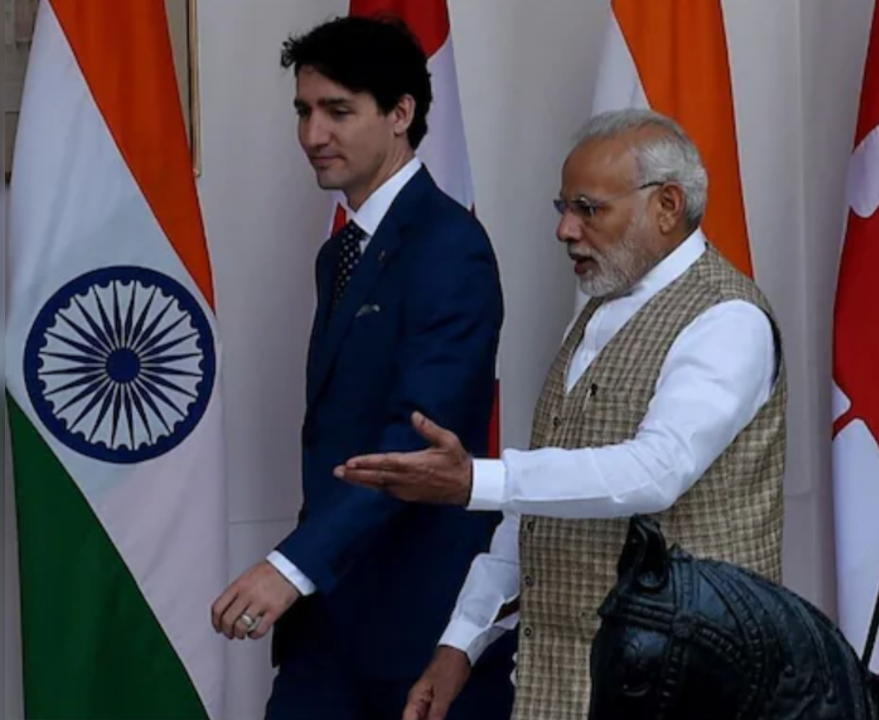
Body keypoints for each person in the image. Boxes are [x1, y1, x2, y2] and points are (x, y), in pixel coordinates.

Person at [336, 108, 788, 720]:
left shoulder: (727, 319)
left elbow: (657, 471)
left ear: (667, 205)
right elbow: (538, 507)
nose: (566, 230)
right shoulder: (600, 310)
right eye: (562, 209)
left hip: (680, 690)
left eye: (588, 208)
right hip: (561, 685)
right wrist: (460, 644)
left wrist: (477, 480)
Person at [209, 15, 515, 720]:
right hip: (330, 617)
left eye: (338, 111)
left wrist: (290, 566)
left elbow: (413, 442)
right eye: (304, 111)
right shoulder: (341, 252)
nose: (313, 135)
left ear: (401, 113)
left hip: (416, 628)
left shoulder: (449, 248)